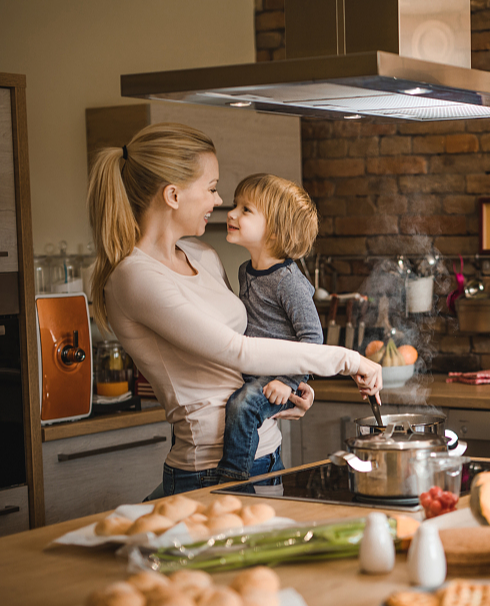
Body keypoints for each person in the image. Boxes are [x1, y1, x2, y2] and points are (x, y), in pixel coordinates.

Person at [87, 122, 382, 496]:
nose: (218, 200)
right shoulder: (135, 277)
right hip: (209, 467)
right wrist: (350, 361)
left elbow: (251, 344)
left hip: (267, 452)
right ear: (173, 195)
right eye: (211, 188)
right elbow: (234, 349)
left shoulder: (202, 254)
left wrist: (293, 382)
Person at [215, 173, 324, 483]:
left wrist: (288, 382)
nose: (232, 213)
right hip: (255, 370)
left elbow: (313, 338)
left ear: (275, 229)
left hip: (278, 377)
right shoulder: (244, 271)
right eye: (236, 205)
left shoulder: (287, 281)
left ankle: (233, 479)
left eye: (246, 209)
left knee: (243, 404)